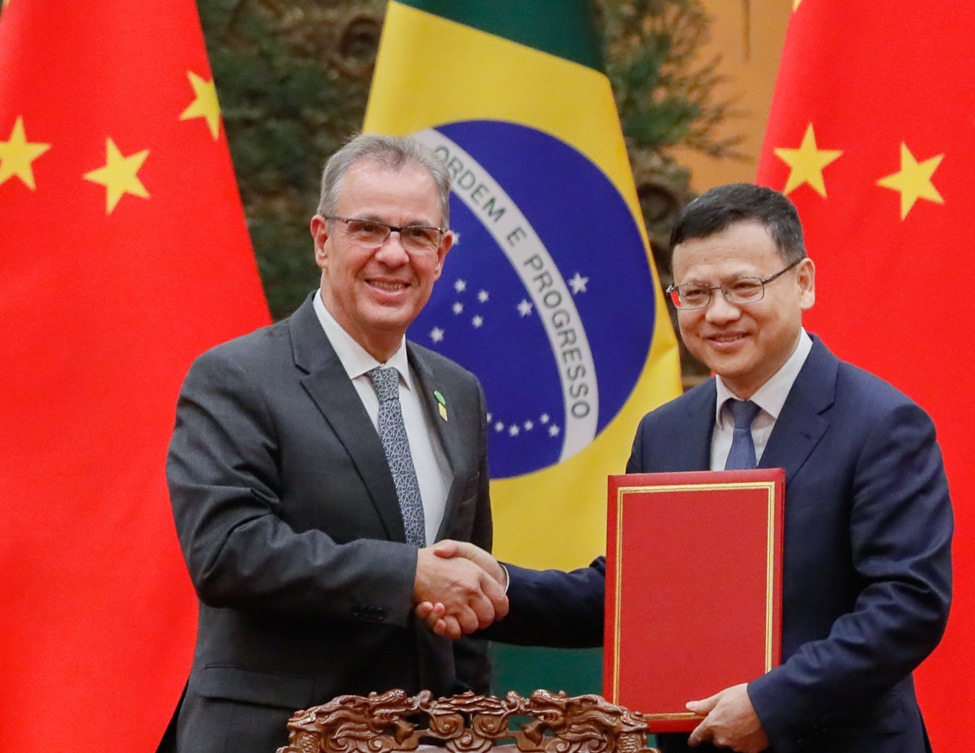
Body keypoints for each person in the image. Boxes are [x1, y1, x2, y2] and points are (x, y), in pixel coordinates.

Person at [420, 184, 953, 753]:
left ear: (803, 282)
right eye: (695, 293)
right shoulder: (665, 431)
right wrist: (497, 588)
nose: (718, 313)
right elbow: (631, 594)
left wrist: (770, 705)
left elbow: (906, 605)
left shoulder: (882, 425)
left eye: (744, 287)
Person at [163, 134, 508, 753]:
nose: (393, 254)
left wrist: (469, 727)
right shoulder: (236, 377)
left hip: (424, 740)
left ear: (442, 254)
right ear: (323, 240)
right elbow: (227, 552)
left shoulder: (459, 392)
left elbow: (462, 582)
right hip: (273, 737)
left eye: (417, 234)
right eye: (368, 229)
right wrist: (408, 575)